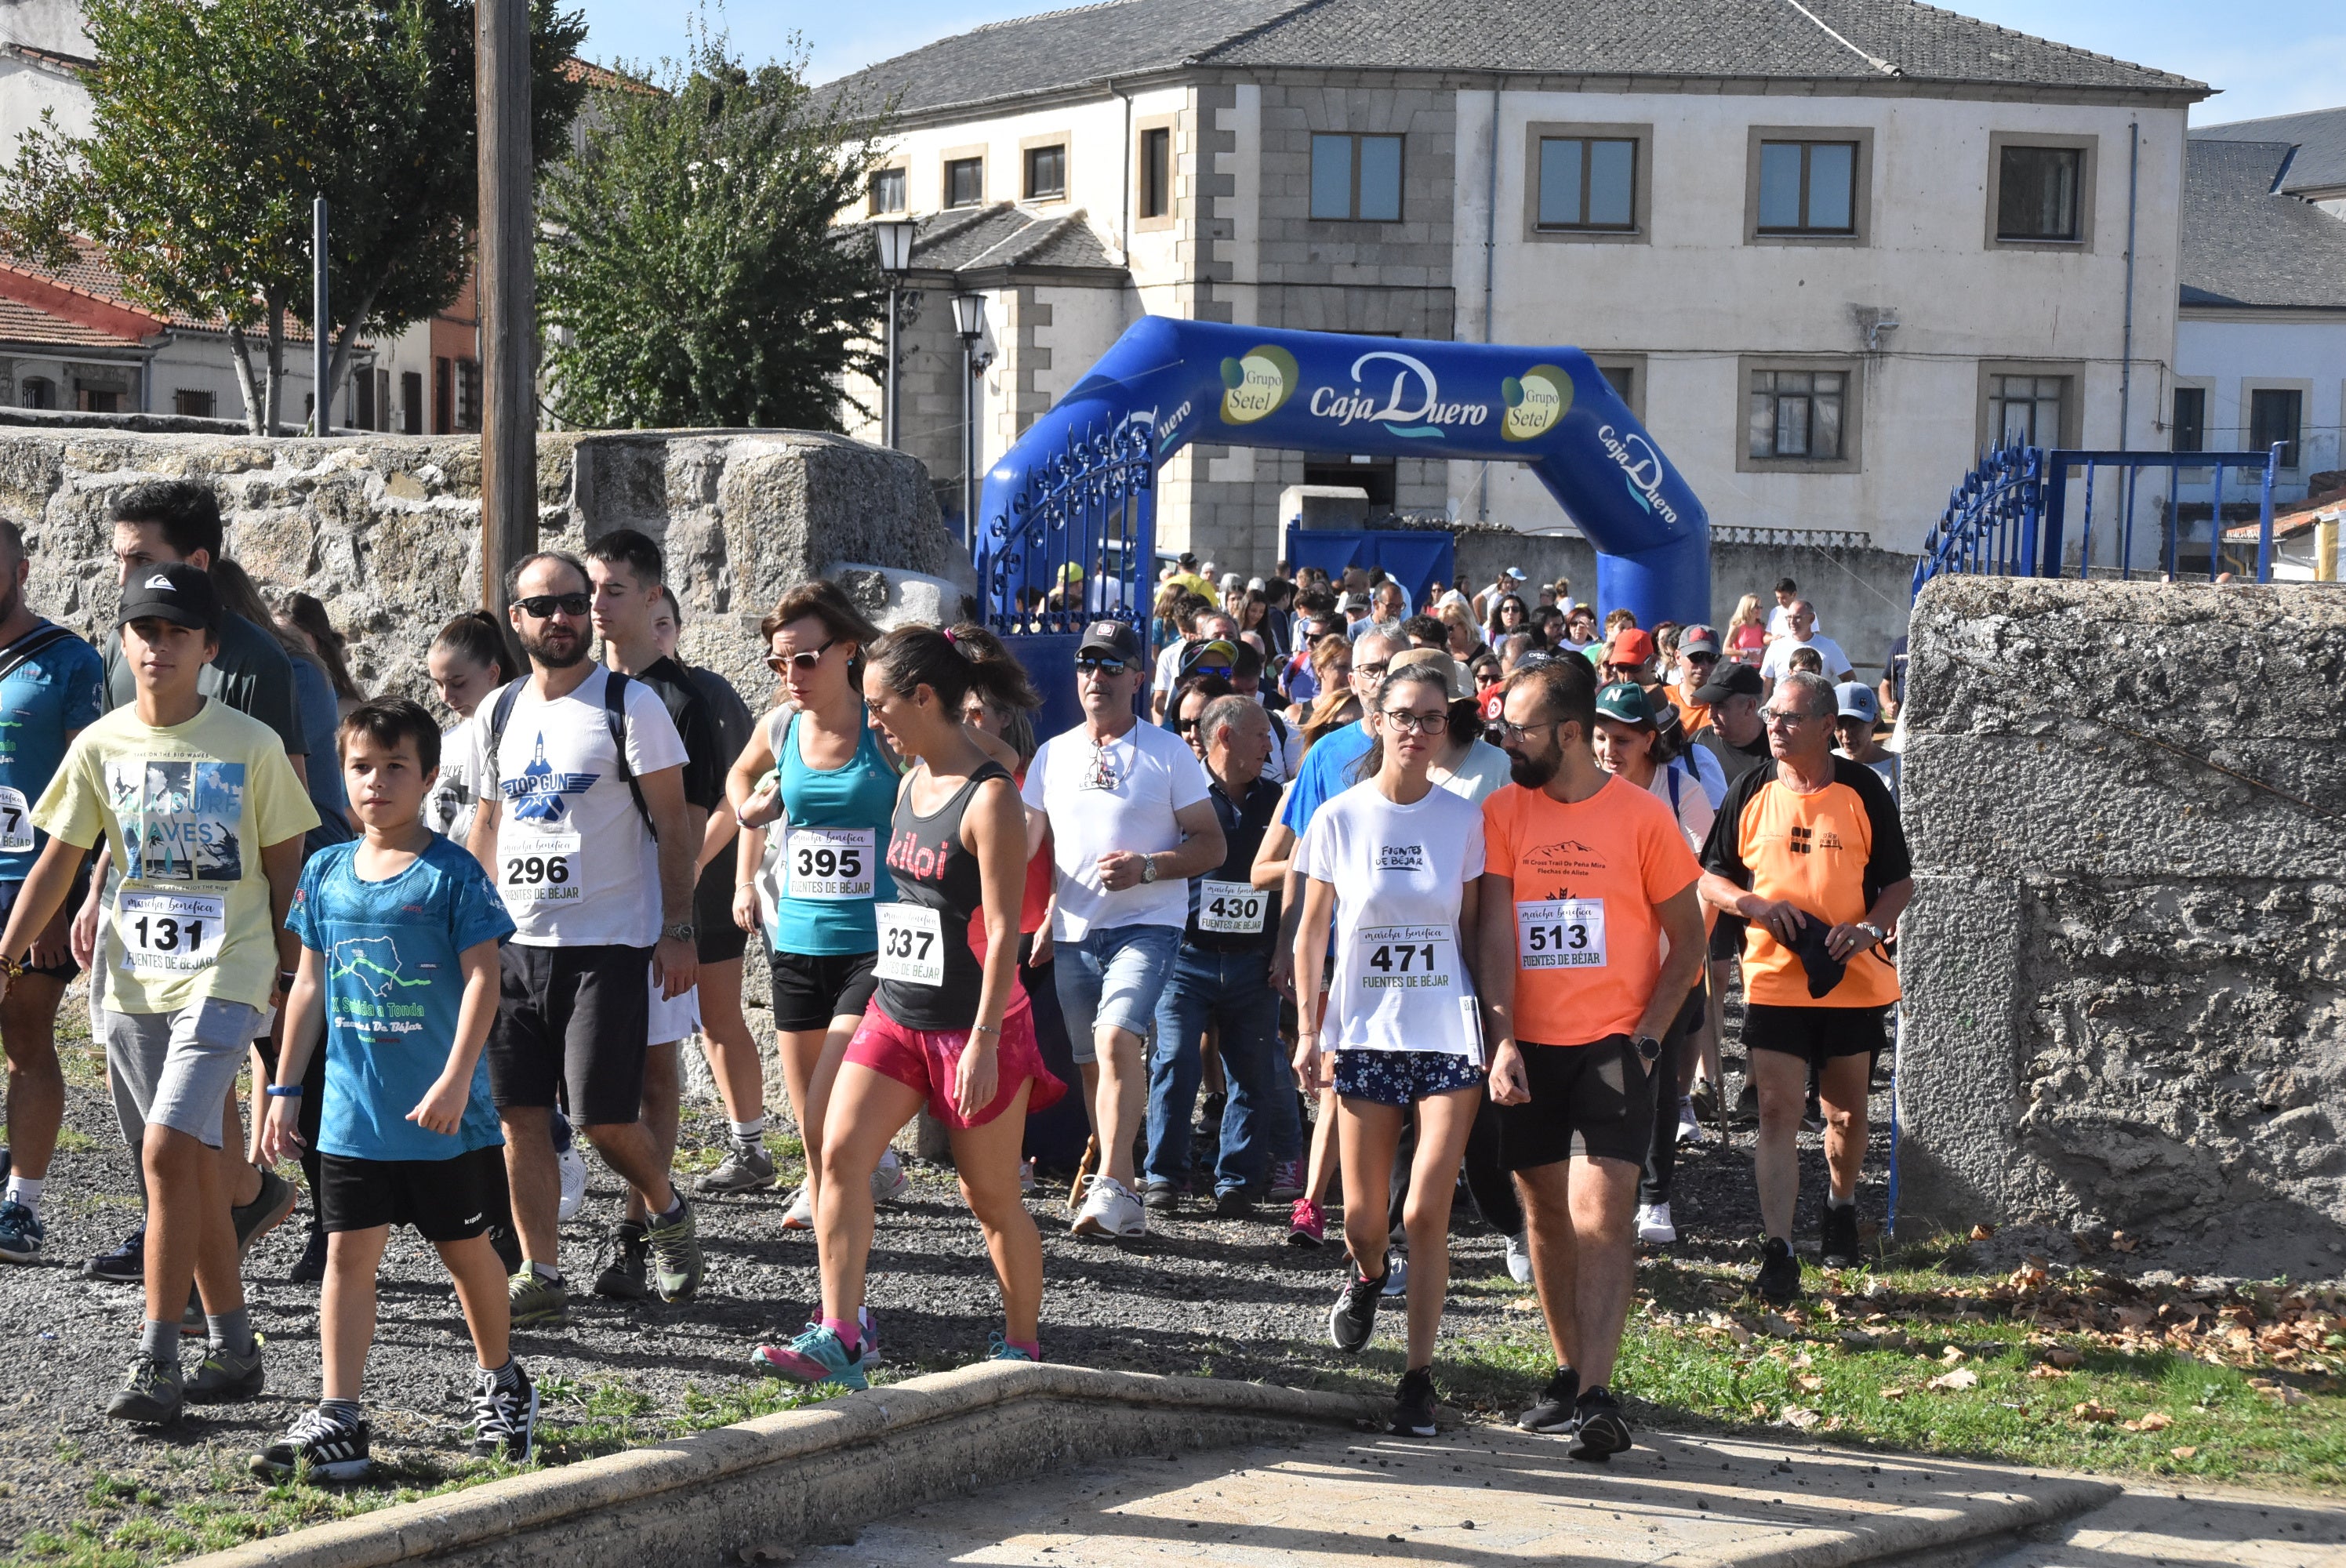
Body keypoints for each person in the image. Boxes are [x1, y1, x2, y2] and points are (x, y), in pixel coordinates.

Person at [2, 563, 317, 1423]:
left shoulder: (249, 744)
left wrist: (291, 970)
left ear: (209, 646)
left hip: (230, 968)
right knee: (188, 1166)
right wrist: (3, 955)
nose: (158, 645)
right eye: (144, 629)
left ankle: (157, 1358)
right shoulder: (100, 743)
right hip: (134, 976)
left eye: (177, 631)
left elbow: (286, 865)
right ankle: (238, 1346)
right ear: (125, 641)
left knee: (167, 1150)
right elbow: (55, 861)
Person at [753, 626, 1063, 1388]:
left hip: (974, 1024)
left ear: (925, 697)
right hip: (898, 1009)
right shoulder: (906, 778)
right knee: (837, 1150)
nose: (875, 720)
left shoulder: (990, 797)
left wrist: (987, 1041)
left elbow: (1000, 939)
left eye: (882, 705)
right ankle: (842, 1334)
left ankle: (1021, 1346)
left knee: (988, 1195)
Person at [255, 698, 535, 1476]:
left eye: (395, 767)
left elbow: (484, 980)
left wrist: (453, 1078)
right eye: (361, 767)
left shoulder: (452, 874)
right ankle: (340, 1414)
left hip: (444, 1117)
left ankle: (501, 1379)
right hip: (353, 1114)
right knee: (347, 1255)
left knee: (466, 1251)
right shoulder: (325, 869)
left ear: (429, 776)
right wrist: (283, 1090)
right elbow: (307, 986)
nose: (376, 782)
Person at [74, 483, 307, 1289]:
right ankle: (227, 1205)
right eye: (120, 559)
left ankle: (207, 1239)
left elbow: (289, 813)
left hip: (232, 925)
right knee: (149, 1092)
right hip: (143, 913)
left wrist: (289, 948)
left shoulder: (257, 666)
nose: (124, 572)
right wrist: (101, 883)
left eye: (142, 557)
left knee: (206, 1089)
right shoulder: (121, 647)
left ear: (197, 564)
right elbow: (127, 782)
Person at [464, 550, 704, 1326]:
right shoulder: (498, 711)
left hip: (607, 945)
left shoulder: (631, 705)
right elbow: (488, 824)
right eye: (542, 607)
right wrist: (468, 927)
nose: (559, 618)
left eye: (573, 603)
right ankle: (542, 1269)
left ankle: (664, 1208)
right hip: (514, 945)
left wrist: (675, 930)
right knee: (521, 1115)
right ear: (517, 618)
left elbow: (674, 826)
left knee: (603, 1117)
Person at [1480, 658, 1704, 1457]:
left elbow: (1691, 940)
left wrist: (1647, 1035)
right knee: (1543, 1211)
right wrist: (1500, 1036)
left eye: (1521, 727)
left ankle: (1601, 1396)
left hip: (1613, 1043)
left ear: (1568, 733)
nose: (1505, 737)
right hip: (1529, 1046)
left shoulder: (1643, 818)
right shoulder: (1503, 811)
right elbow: (1497, 932)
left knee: (1600, 1215)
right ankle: (1569, 1371)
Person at [1293, 659, 1487, 1438]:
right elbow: (1312, 930)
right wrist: (1311, 1029)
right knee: (1365, 1218)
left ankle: (1417, 1376)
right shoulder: (1338, 816)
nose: (1415, 730)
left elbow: (1473, 934)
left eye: (1431, 718)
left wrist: (1498, 1030)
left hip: (1445, 1031)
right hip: (1366, 1034)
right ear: (1376, 720)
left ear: (1447, 729)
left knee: (1424, 1207)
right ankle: (1369, 1274)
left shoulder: (1464, 819)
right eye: (1402, 714)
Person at [1698, 671, 1912, 1305]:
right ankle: (1778, 1249)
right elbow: (1710, 878)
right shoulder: (1751, 788)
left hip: (1852, 979)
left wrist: (1869, 928)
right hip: (1773, 980)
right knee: (1775, 1113)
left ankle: (1841, 1204)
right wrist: (1753, 906)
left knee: (1844, 1112)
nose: (1775, 725)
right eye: (1770, 714)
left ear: (1826, 726)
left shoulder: (1863, 789)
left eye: (1789, 717)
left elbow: (1899, 883)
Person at [727, 583, 910, 1265]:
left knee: (829, 1092)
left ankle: (839, 1208)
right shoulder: (779, 728)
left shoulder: (884, 727)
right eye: (779, 664)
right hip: (796, 934)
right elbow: (739, 779)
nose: (791, 677)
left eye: (805, 660)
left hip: (873, 940)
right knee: (806, 1100)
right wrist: (752, 815)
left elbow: (956, 773)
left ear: (848, 651)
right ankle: (846, 1173)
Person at [1026, 621, 1224, 1240]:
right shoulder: (1053, 754)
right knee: (1091, 1061)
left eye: (1112, 666)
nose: (1097, 677)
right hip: (1075, 931)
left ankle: (1111, 1180)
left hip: (1148, 924)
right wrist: (1039, 915)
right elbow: (1028, 843)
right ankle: (1126, 1191)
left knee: (1115, 1040)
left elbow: (1212, 844)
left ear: (1139, 679)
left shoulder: (1167, 752)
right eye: (1088, 664)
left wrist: (1149, 867)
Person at [581, 531, 728, 1301]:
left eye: (612, 589)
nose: (598, 604)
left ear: (650, 598)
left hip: (649, 911)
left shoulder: (680, 701)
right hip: (576, 918)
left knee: (653, 1074)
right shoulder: (570, 688)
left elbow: (690, 825)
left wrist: (676, 926)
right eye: (591, 589)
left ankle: (639, 1225)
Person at [209, 557, 355, 1284]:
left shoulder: (286, 671)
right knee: (276, 1058)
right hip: (268, 873)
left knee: (309, 1061)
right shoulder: (278, 665)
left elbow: (294, 803)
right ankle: (276, 1200)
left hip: (304, 872)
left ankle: (331, 1221)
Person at [1146, 695, 1298, 1216]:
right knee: (1174, 1062)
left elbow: (1294, 882)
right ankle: (1164, 1175)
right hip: (1185, 957)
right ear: (1225, 736)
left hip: (1253, 961)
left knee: (1252, 1071)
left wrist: (1284, 948)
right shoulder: (1179, 796)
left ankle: (1237, 1179)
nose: (1269, 746)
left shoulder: (1278, 802)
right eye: (1261, 736)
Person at [0, 517, 106, 1264]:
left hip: (28, 883)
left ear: (22, 569)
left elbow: (89, 788)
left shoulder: (68, 661)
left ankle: (23, 1205)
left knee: (26, 1039)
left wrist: (64, 895)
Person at [643, 589, 767, 1205]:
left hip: (705, 881)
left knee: (716, 1019)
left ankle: (750, 1145)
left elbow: (735, 796)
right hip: (635, 887)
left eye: (667, 625)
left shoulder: (709, 696)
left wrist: (690, 865)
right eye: (652, 625)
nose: (659, 635)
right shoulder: (612, 697)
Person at [1589, 682, 1715, 1247]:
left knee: (1660, 1084)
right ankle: (1600, 1192)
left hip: (1667, 964)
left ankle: (1656, 1196)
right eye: (1599, 737)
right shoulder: (1582, 793)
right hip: (1599, 965)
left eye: (1620, 739)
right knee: (1601, 1080)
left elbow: (1706, 881)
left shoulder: (1680, 791)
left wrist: (1689, 961)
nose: (1607, 750)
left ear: (1648, 740)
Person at [278, 593, 364, 719]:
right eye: (275, 637)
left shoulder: (348, 713)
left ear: (316, 640)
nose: (283, 647)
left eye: (292, 639)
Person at [1688, 662, 1769, 789]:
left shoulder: (1778, 749)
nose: (1710, 715)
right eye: (1710, 705)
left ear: (1750, 706)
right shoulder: (1698, 744)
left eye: (1720, 706)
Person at [1760, 602, 1853, 694]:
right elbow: (1765, 684)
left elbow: (1850, 679)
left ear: (1811, 619)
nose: (1792, 622)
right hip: (1782, 707)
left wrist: (1835, 702)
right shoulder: (1776, 647)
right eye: (1789, 617)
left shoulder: (1829, 647)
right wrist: (1761, 707)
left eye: (1798, 617)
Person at [1832, 682, 1900, 803]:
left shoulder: (1897, 769)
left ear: (1875, 720)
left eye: (1855, 725)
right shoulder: (1829, 764)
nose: (1846, 734)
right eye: (1839, 725)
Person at [1349, 579, 1405, 643]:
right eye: (1391, 606)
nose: (1397, 612)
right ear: (1376, 604)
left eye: (1400, 606)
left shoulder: (1403, 632)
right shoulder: (1356, 630)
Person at [1726, 593, 1768, 670]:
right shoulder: (1737, 627)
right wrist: (1745, 654)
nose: (1759, 610)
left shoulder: (1761, 626)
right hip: (1739, 669)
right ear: (1747, 608)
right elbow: (1726, 649)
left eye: (1760, 607)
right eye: (1756, 607)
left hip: (1758, 670)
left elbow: (1767, 644)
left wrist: (1764, 653)